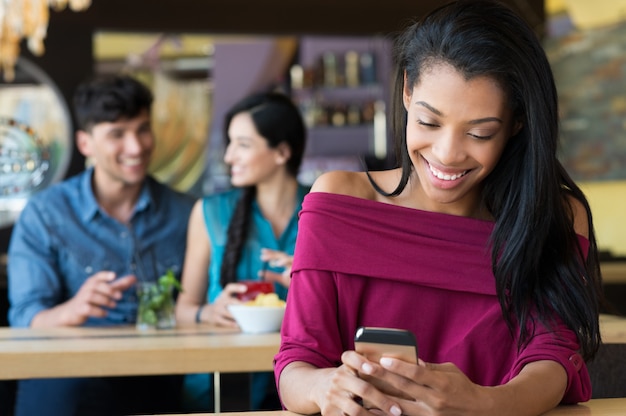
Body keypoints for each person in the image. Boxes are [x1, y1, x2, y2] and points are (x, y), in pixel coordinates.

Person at [274, 1, 604, 415]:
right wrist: (324, 385)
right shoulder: (340, 200)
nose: (447, 155)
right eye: (429, 123)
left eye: (480, 133)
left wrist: (484, 404)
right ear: (408, 91)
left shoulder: (555, 215)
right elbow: (295, 365)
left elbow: (554, 357)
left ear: (517, 122)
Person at [7, 74, 195, 415]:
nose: (136, 147)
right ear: (85, 144)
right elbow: (25, 316)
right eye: (117, 134)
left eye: (142, 129)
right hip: (68, 377)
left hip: (157, 377)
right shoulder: (47, 213)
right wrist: (73, 310)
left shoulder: (186, 214)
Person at [175, 91, 308, 411]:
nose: (229, 156)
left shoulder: (326, 213)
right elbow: (183, 308)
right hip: (216, 386)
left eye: (243, 145)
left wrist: (308, 285)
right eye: (230, 143)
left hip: (302, 386)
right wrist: (207, 312)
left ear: (282, 152)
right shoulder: (210, 212)